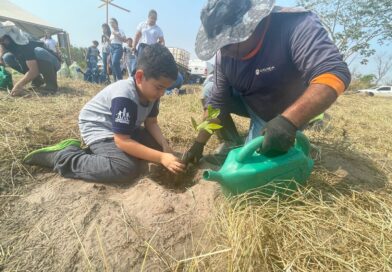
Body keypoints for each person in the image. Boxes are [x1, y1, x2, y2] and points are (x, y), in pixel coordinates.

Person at [183, 0, 351, 165]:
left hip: (285, 111)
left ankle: (296, 134)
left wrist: (288, 122)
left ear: (251, 24)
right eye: (219, 45)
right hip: (251, 102)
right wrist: (198, 144)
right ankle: (232, 143)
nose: (223, 52)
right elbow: (218, 104)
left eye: (227, 43)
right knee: (209, 90)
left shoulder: (294, 25)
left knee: (258, 162)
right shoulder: (224, 56)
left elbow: (333, 73)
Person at [23, 44, 185, 183]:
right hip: (99, 128)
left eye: (166, 88)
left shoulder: (152, 93)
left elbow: (151, 123)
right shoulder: (125, 96)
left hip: (123, 128)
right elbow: (122, 141)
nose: (162, 93)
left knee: (156, 147)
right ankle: (64, 156)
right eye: (159, 87)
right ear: (140, 77)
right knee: (125, 168)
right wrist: (161, 157)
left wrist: (164, 145)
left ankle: (102, 153)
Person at [0, 21, 61, 96]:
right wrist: (1, 59)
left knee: (39, 51)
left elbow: (34, 70)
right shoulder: (7, 42)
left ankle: (51, 86)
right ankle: (37, 80)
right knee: (7, 57)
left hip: (53, 62)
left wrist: (18, 85)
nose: (1, 42)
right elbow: (2, 50)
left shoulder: (23, 41)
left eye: (2, 39)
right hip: (34, 62)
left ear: (7, 36)